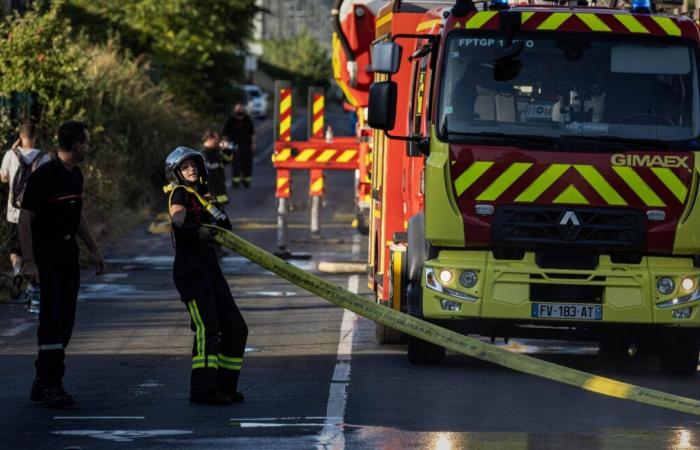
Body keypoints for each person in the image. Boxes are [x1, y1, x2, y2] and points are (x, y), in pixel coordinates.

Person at [18, 120, 105, 408]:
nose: (88, 147)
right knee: (52, 321)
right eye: (86, 142)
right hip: (46, 257)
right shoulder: (44, 176)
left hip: (68, 255)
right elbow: (24, 219)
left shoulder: (75, 175)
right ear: (77, 144)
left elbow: (78, 215)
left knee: (66, 322)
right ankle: (51, 384)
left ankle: (42, 380)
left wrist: (93, 249)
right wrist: (29, 262)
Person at [165, 147, 248, 405]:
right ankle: (202, 389)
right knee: (207, 327)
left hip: (209, 264)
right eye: (185, 167)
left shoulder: (203, 195)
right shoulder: (180, 193)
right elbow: (178, 216)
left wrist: (213, 209)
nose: (191, 169)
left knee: (235, 327)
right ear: (177, 173)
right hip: (190, 267)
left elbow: (225, 224)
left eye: (193, 165)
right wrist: (195, 229)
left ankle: (225, 386)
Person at [0, 122, 51, 311]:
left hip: (14, 212)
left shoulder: (10, 155)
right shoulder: (44, 157)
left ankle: (16, 271)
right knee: (34, 251)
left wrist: (13, 149)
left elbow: (3, 178)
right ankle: (31, 290)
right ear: (35, 136)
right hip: (36, 214)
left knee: (16, 248)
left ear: (20, 136)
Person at [222, 103, 255, 188]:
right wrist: (224, 146)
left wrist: (253, 144)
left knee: (247, 164)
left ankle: (246, 182)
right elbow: (225, 134)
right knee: (236, 165)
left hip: (247, 145)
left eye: (241, 108)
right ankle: (235, 183)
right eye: (237, 109)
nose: (239, 110)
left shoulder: (247, 119)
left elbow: (252, 133)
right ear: (235, 110)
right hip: (234, 146)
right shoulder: (230, 120)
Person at [200, 130, 227, 198]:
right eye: (216, 139)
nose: (218, 141)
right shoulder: (202, 154)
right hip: (212, 190)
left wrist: (227, 150)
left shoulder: (216, 151)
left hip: (220, 187)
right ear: (210, 139)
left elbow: (226, 162)